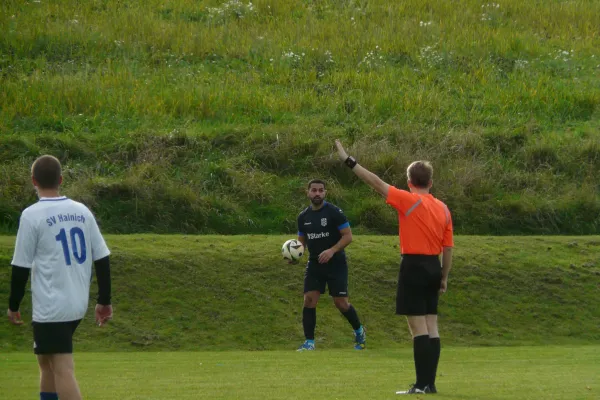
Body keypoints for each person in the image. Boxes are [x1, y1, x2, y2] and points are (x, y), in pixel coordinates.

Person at [335, 140, 453, 395]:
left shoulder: (408, 200)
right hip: (434, 266)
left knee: (418, 328)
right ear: (430, 182)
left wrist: (348, 160)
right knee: (432, 326)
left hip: (413, 265)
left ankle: (420, 385)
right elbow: (449, 248)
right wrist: (444, 276)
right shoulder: (443, 208)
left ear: (409, 181)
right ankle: (430, 384)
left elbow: (375, 182)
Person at [7, 155, 113, 400]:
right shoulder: (81, 211)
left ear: (33, 181)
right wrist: (104, 300)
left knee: (63, 369)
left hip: (52, 306)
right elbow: (102, 257)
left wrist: (13, 305)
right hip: (75, 304)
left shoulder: (32, 215)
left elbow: (20, 266)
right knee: (46, 363)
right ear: (61, 180)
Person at [295, 179, 366, 351]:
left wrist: (331, 250)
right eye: (314, 190)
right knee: (309, 300)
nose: (317, 193)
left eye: (320, 190)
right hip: (314, 264)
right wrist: (294, 256)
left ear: (325, 193)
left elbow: (348, 236)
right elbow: (301, 243)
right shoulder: (303, 217)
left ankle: (359, 331)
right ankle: (309, 343)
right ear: (308, 192)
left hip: (336, 264)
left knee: (341, 303)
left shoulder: (334, 212)